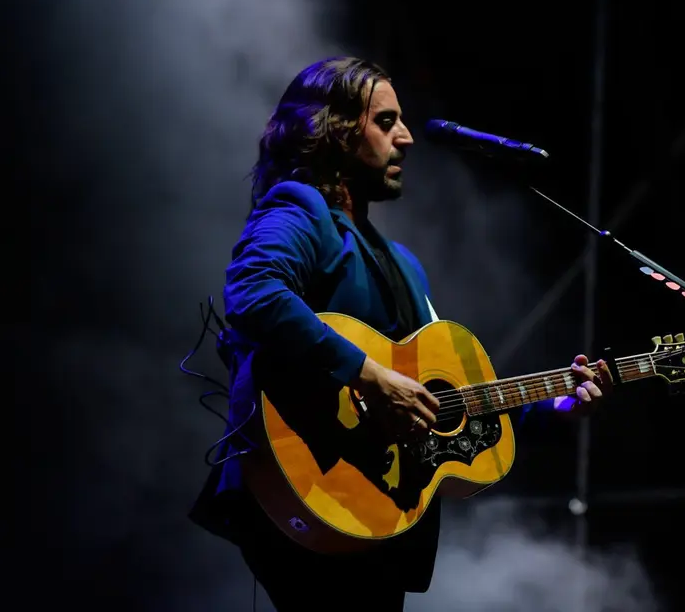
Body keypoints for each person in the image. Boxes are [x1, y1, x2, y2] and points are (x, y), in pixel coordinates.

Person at [188, 56, 610, 610]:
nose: (406, 138)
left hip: (376, 509)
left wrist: (554, 406)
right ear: (335, 132)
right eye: (386, 122)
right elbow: (254, 293)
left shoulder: (403, 264)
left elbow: (444, 400)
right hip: (312, 482)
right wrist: (369, 375)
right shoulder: (300, 209)